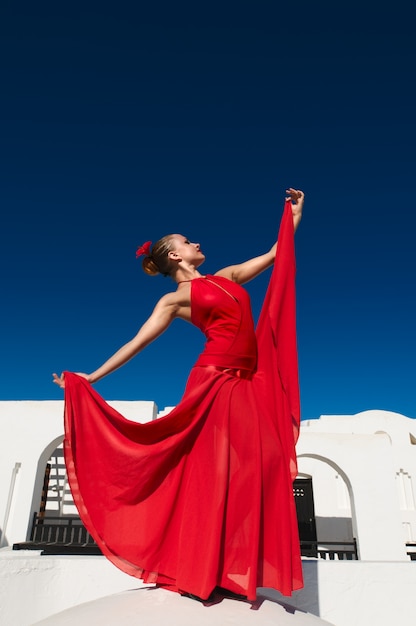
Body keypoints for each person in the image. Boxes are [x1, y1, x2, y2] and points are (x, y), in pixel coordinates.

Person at [53, 188, 305, 603]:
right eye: (188, 241)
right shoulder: (174, 299)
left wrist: (293, 215)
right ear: (174, 256)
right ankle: (205, 566)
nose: (198, 243)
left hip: (247, 383)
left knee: (264, 463)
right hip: (214, 381)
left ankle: (231, 562)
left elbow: (279, 252)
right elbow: (138, 341)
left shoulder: (227, 276)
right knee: (214, 470)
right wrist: (92, 376)